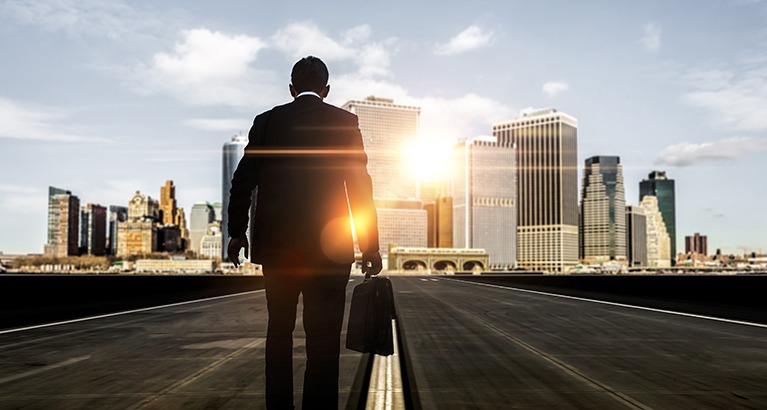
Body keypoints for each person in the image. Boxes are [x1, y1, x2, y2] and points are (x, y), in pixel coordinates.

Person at [227, 56, 382, 410]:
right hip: (331, 251)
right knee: (324, 340)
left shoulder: (266, 122)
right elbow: (360, 188)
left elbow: (241, 182)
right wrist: (369, 246)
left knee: (278, 332)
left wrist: (237, 232)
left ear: (292, 88)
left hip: (278, 250)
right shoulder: (345, 123)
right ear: (326, 91)